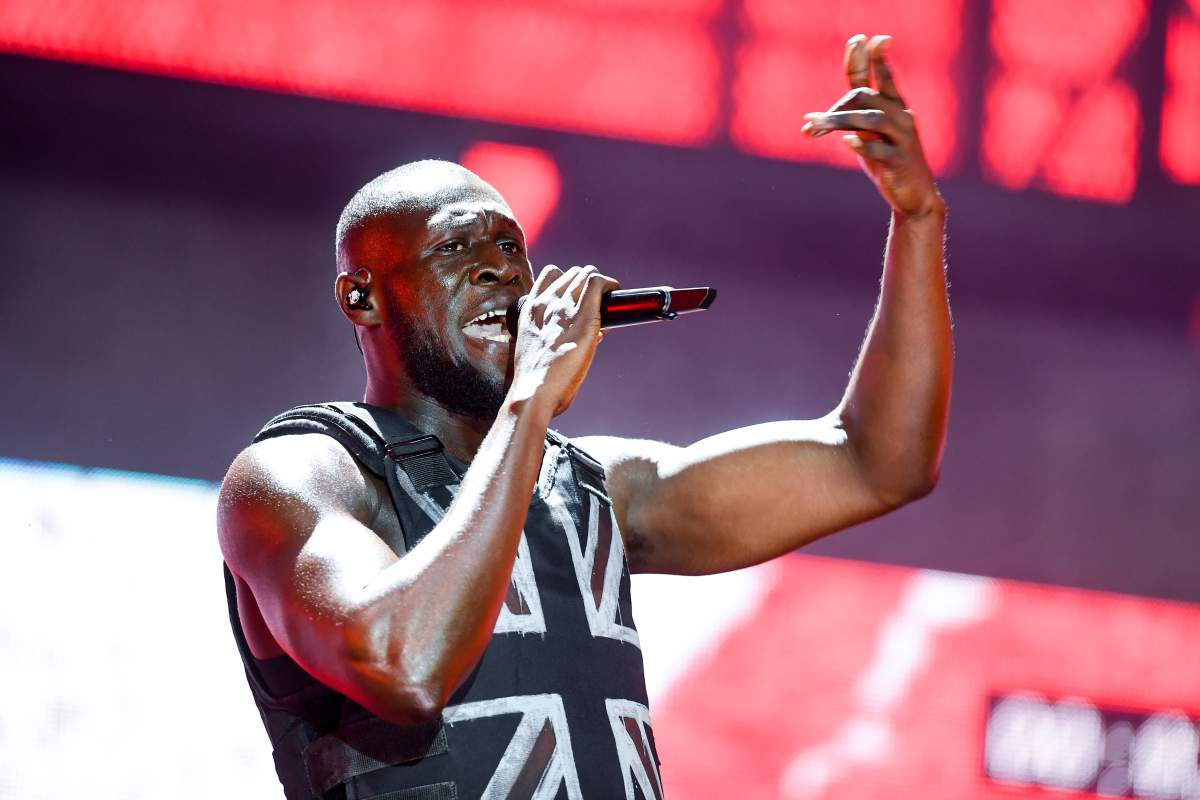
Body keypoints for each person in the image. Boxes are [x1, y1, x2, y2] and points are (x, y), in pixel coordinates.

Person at [218, 33, 951, 800]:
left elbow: (878, 461)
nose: (502, 267)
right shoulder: (298, 476)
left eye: (511, 246)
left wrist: (920, 220)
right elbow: (401, 664)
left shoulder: (593, 487)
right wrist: (532, 398)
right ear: (362, 297)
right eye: (457, 248)